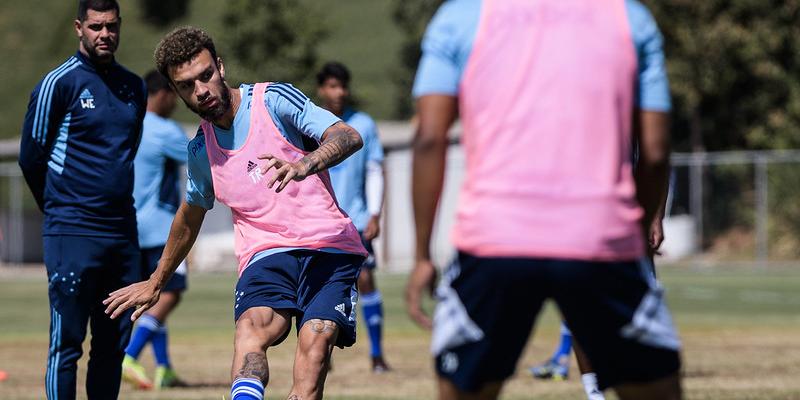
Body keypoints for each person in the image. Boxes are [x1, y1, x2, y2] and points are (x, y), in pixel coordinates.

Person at [405, 0, 682, 399]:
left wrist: (422, 255)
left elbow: (429, 139)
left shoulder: (460, 16)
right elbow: (655, 152)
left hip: (495, 240)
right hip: (600, 239)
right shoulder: (629, 17)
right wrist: (633, 236)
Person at [103, 27, 367, 400]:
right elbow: (190, 215)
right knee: (250, 333)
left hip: (329, 245)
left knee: (317, 342)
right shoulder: (200, 151)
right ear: (176, 93)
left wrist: (307, 163)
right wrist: (156, 280)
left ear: (221, 67)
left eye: (206, 75)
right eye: (187, 85)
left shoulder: (272, 100)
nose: (201, 90)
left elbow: (347, 136)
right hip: (266, 254)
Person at [528, 2, 675, 398]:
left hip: (625, 214)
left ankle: (631, 382)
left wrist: (655, 216)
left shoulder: (628, 91)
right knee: (578, 309)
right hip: (574, 213)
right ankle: (594, 393)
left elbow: (655, 154)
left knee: (638, 310)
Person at [18, 1, 146, 398]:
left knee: (112, 346)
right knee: (67, 344)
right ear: (79, 28)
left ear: (119, 26)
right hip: (71, 233)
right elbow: (30, 156)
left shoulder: (134, 87)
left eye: (111, 26)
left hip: (122, 235)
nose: (104, 34)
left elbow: (126, 153)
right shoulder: (59, 83)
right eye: (95, 26)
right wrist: (58, 209)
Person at [316, 62, 390, 373]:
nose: (338, 92)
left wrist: (375, 213)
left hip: (355, 219)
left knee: (366, 279)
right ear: (321, 89)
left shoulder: (363, 124)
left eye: (342, 86)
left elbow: (374, 169)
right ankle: (321, 352)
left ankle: (376, 354)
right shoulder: (312, 121)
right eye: (332, 86)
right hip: (319, 220)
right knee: (318, 287)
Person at [121, 70, 189, 390]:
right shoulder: (165, 130)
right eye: (174, 94)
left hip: (132, 227)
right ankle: (130, 354)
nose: (176, 101)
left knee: (151, 297)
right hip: (164, 228)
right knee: (171, 292)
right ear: (161, 94)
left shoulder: (128, 126)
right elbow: (200, 157)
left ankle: (163, 368)